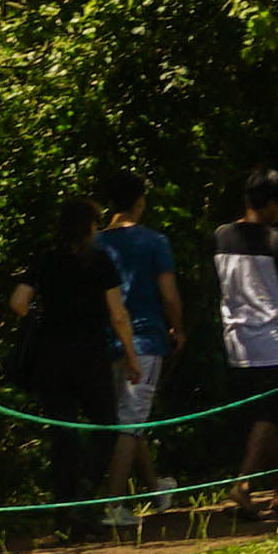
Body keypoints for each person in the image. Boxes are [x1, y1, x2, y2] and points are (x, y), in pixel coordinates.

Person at [207, 170, 278, 525]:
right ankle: (243, 484)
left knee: (265, 416)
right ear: (273, 203)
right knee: (267, 415)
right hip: (273, 340)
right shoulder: (277, 240)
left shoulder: (221, 236)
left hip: (236, 339)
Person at [88, 179, 180, 517]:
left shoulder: (96, 243)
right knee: (130, 420)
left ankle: (155, 487)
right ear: (140, 203)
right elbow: (168, 294)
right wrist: (178, 328)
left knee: (130, 416)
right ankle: (113, 503)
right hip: (142, 337)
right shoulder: (154, 242)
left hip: (106, 338)